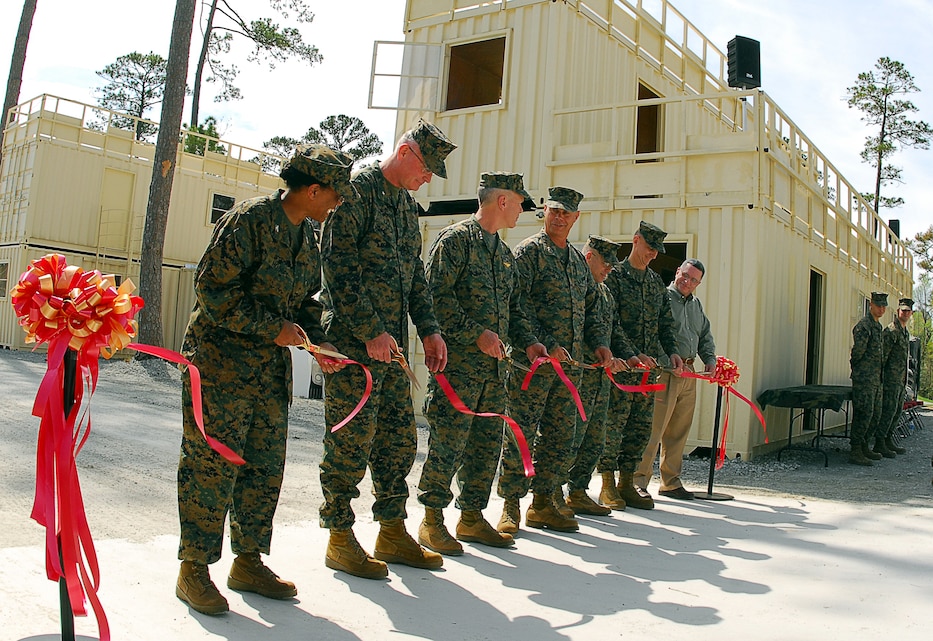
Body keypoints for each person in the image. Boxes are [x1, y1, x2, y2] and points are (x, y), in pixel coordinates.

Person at [176, 144, 358, 615]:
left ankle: (248, 560)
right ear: (313, 189)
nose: (339, 202)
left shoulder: (308, 236)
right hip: (220, 368)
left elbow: (305, 306)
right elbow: (212, 290)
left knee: (262, 467)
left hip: (267, 375)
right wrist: (271, 328)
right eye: (335, 193)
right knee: (210, 465)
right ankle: (193, 568)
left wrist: (320, 346)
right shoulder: (250, 221)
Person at [318, 119, 456, 579]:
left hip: (390, 349)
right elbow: (337, 267)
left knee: (398, 440)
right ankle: (339, 536)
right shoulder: (355, 192)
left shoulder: (404, 206)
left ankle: (392, 530)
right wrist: (371, 329)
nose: (427, 178)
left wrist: (431, 329)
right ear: (404, 152)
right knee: (349, 442)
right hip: (355, 347)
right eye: (427, 168)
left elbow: (415, 276)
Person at [416, 172, 547, 555]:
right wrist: (476, 333)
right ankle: (431, 522)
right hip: (457, 370)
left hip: (494, 373)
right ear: (502, 201)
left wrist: (531, 343)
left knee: (486, 447)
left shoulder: (505, 256)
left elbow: (515, 310)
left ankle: (471, 517)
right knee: (448, 445)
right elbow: (434, 298)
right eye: (520, 202)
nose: (523, 210)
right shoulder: (455, 241)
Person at [496, 187, 615, 535]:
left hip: (569, 372)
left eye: (567, 214)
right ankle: (510, 505)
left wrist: (600, 345)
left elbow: (593, 310)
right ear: (545, 211)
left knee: (560, 437)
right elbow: (516, 304)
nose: (560, 218)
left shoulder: (578, 262)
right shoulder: (530, 253)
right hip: (533, 367)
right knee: (521, 434)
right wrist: (543, 343)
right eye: (555, 211)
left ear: (576, 218)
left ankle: (545, 501)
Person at [598, 221, 683, 511]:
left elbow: (664, 323)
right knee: (614, 426)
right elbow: (611, 323)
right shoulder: (616, 278)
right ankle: (607, 484)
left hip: (647, 371)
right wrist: (633, 354)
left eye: (657, 251)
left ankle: (627, 482)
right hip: (621, 369)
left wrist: (672, 352)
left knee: (640, 429)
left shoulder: (654, 282)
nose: (653, 255)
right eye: (649, 248)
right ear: (635, 241)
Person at [634, 258, 716, 501]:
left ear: (699, 283)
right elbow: (653, 334)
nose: (687, 282)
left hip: (688, 375)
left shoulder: (696, 305)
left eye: (694, 280)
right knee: (654, 429)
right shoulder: (662, 299)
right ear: (677, 271)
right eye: (685, 275)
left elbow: (704, 334)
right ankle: (638, 480)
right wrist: (667, 359)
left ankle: (671, 482)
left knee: (679, 431)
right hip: (665, 372)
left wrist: (709, 358)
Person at [564, 235, 629, 517]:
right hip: (576, 378)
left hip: (599, 379)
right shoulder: (576, 289)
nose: (609, 270)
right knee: (568, 438)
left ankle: (578, 491)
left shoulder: (605, 292)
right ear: (589, 258)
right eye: (606, 264)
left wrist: (630, 356)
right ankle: (552, 494)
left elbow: (612, 332)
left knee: (594, 439)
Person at [848, 292, 888, 466]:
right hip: (864, 378)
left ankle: (864, 445)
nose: (881, 309)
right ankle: (855, 449)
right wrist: (859, 370)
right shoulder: (864, 326)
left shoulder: (878, 327)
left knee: (875, 414)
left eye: (883, 306)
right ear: (871, 305)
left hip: (876, 378)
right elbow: (858, 353)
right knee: (863, 413)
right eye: (878, 305)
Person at [877, 297, 914, 456]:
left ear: (911, 313)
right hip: (890, 380)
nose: (905, 313)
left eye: (908, 311)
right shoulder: (891, 331)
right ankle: (879, 442)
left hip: (900, 380)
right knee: (888, 411)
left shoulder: (905, 332)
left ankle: (888, 440)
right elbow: (882, 356)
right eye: (903, 310)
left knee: (897, 411)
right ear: (898, 311)